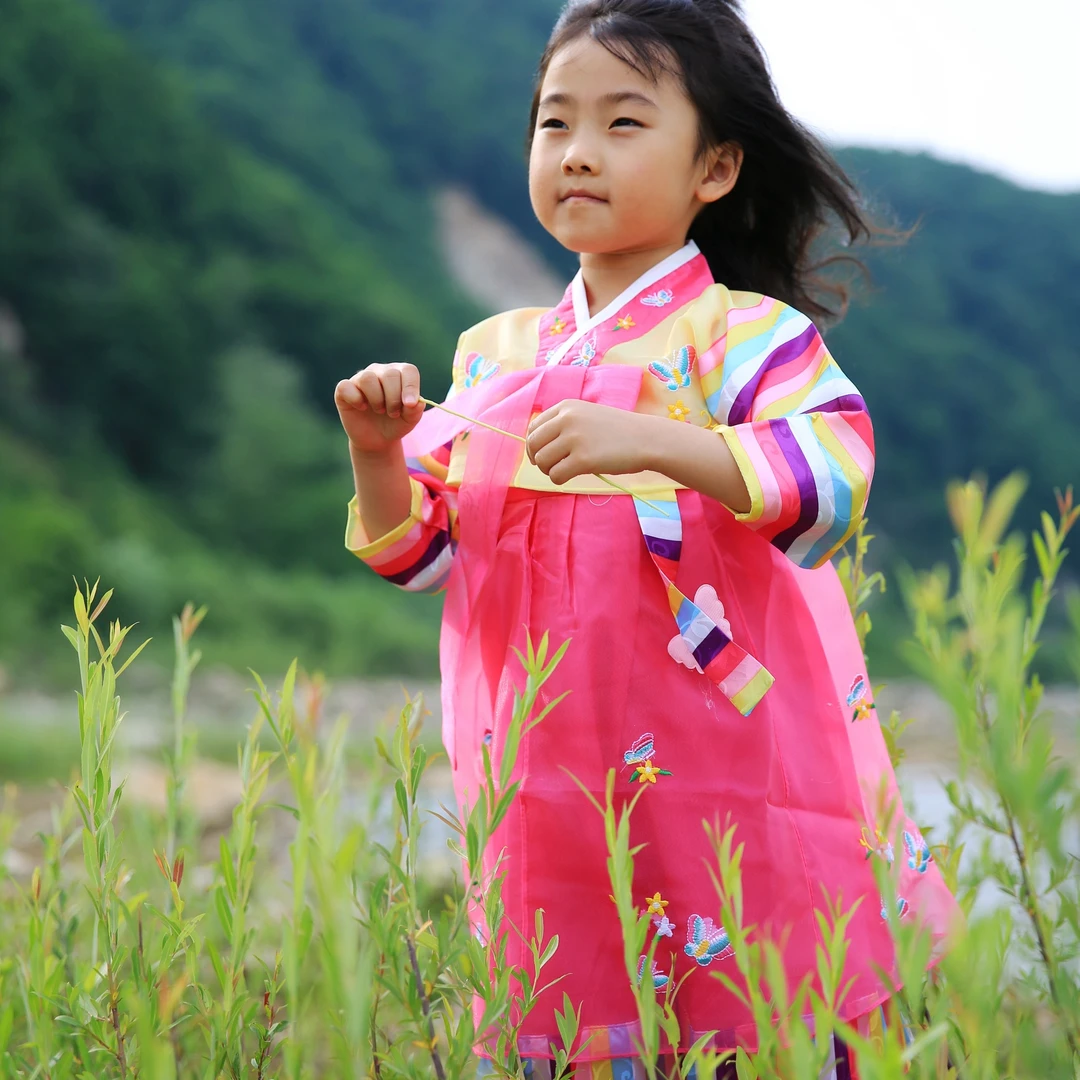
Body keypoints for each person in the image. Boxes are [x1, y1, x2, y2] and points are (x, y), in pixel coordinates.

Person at [335, 1, 958, 1075]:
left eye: (624, 124)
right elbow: (421, 555)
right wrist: (376, 451)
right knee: (577, 998)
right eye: (554, 123)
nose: (578, 154)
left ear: (714, 168)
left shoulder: (746, 337)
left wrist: (664, 443)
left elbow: (834, 473)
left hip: (726, 772)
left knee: (751, 995)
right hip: (547, 783)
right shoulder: (495, 359)